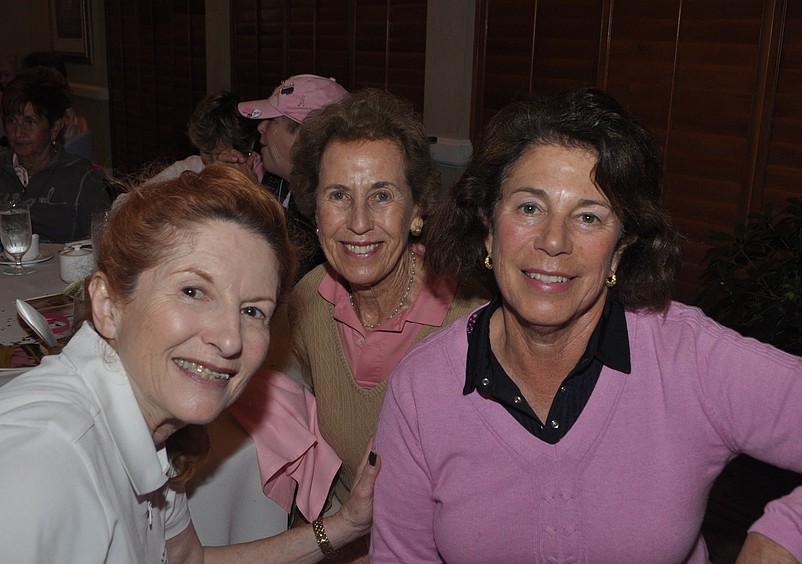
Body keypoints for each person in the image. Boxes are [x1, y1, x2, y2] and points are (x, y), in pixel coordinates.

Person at [370, 87, 802, 563]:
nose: (554, 241)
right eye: (529, 208)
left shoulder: (689, 360)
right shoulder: (422, 389)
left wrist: (782, 537)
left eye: (589, 217)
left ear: (621, 246)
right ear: (488, 226)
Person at [0, 164, 379, 563]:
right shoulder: (41, 468)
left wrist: (344, 527)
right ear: (106, 304)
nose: (230, 339)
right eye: (193, 292)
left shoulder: (148, 430)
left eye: (253, 311)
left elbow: (185, 560)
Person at [287, 88, 490, 558]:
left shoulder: (471, 322)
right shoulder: (307, 302)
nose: (359, 222)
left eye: (382, 195)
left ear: (417, 211)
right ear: (315, 211)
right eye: (339, 195)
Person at [0, 67, 109, 243]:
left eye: (30, 122)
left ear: (54, 128)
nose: (18, 133)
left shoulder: (82, 178)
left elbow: (101, 246)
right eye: (12, 121)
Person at [239, 74, 349, 278]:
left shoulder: (327, 209)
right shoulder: (277, 180)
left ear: (306, 136)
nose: (260, 126)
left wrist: (248, 199)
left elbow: (280, 275)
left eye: (272, 120)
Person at [148, 90, 260, 185]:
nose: (213, 164)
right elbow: (136, 197)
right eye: (206, 152)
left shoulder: (267, 177)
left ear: (246, 149)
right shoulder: (191, 166)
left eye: (220, 154)